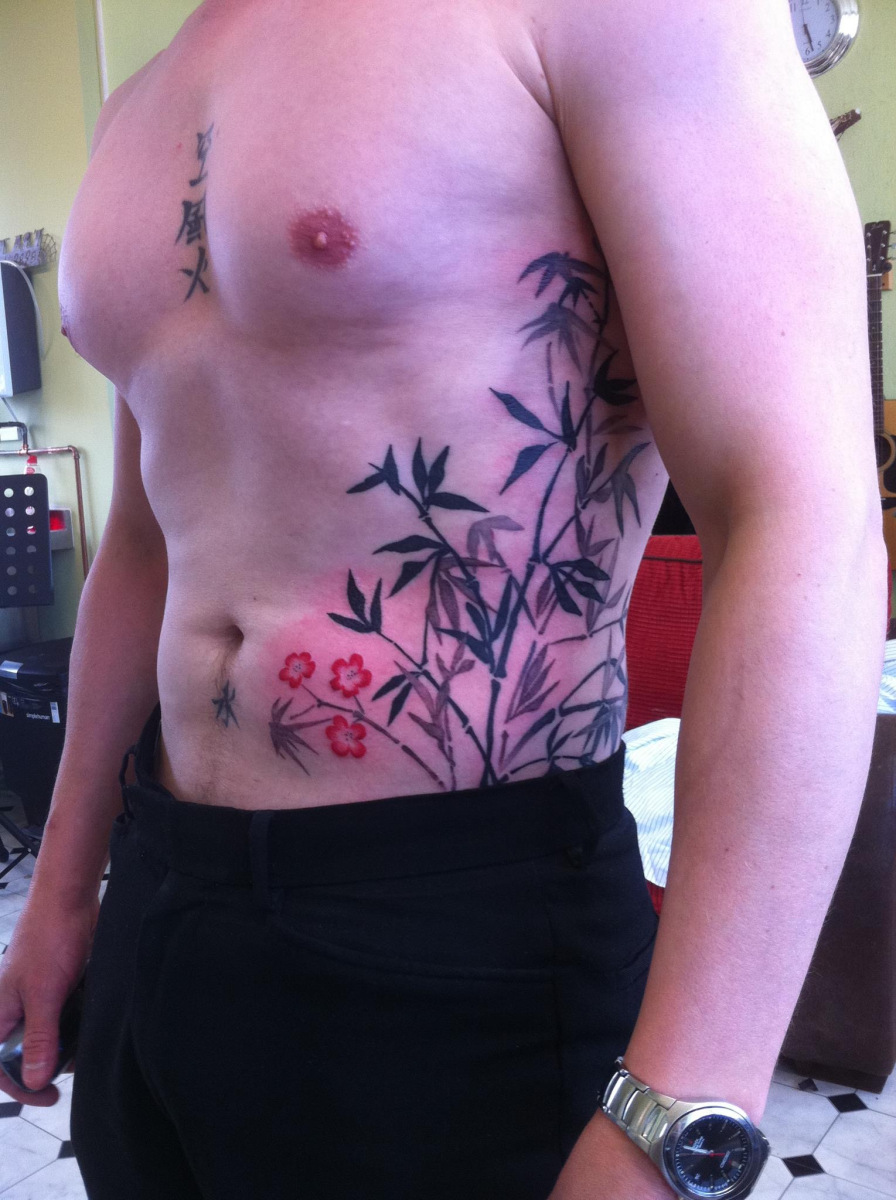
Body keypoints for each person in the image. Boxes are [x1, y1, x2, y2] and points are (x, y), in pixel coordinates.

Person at [0, 0, 886, 1196]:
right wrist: (61, 895)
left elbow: (795, 514)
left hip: (469, 921)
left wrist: (679, 1115)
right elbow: (146, 541)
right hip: (166, 883)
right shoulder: (136, 101)